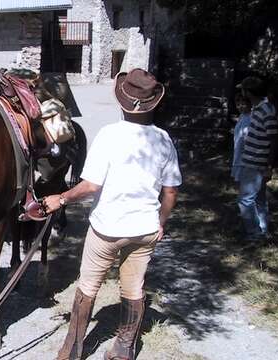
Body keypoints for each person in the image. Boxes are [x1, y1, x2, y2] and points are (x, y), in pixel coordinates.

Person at [41, 68, 181, 360]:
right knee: (134, 287)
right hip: (144, 229)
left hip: (107, 229)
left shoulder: (109, 134)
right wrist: (161, 223)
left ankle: (73, 349)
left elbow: (91, 185)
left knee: (88, 285)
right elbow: (170, 192)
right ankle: (124, 349)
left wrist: (61, 198)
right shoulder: (164, 139)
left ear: (122, 102)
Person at [237, 76, 278, 239]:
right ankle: (262, 230)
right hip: (252, 160)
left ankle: (254, 233)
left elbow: (274, 139)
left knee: (245, 200)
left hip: (257, 163)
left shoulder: (266, 110)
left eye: (243, 90)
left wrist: (269, 166)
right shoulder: (257, 108)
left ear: (249, 92)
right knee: (259, 199)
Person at [232, 93, 252, 182]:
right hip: (238, 151)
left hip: (247, 154)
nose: (240, 107)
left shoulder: (252, 117)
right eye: (238, 104)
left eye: (243, 104)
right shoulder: (242, 116)